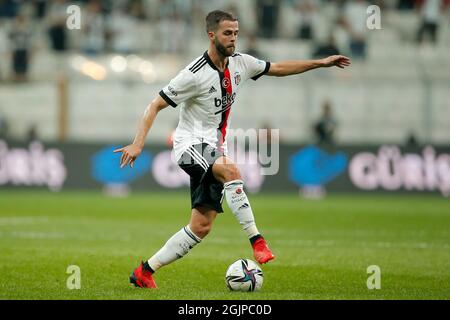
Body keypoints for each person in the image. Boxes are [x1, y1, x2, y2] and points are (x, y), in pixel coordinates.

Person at [114, 10, 350, 289]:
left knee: (201, 226)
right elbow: (154, 104)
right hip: (189, 145)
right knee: (230, 169)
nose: (233, 39)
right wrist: (138, 142)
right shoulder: (193, 74)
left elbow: (279, 68)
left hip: (212, 147)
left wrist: (320, 63)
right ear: (211, 35)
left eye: (236, 33)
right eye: (228, 33)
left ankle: (145, 271)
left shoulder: (241, 64)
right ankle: (257, 241)